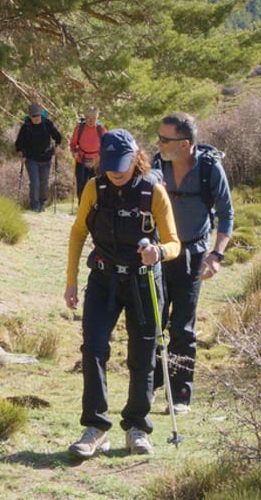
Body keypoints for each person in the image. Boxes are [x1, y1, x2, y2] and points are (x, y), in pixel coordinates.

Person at [63, 129, 179, 458]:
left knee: (143, 356)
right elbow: (78, 232)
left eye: (122, 164)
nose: (116, 171)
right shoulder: (94, 188)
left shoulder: (153, 191)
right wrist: (71, 282)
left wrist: (159, 251)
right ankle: (96, 428)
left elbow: (174, 242)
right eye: (109, 163)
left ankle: (137, 427)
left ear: (136, 158)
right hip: (103, 280)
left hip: (143, 282)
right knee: (93, 350)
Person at [150, 112, 233, 415]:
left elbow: (227, 214)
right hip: (159, 253)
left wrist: (216, 255)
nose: (158, 143)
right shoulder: (156, 164)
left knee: (182, 326)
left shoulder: (210, 169)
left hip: (192, 255)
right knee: (153, 321)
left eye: (164, 139)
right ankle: (151, 385)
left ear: (184, 144)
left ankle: (181, 393)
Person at [15, 102, 62, 212]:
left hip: (46, 157)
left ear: (41, 115)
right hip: (31, 158)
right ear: (30, 116)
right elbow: (19, 144)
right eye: (34, 116)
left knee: (44, 182)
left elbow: (58, 137)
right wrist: (21, 155)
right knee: (35, 182)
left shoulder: (47, 124)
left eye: (38, 115)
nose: (36, 118)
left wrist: (57, 146)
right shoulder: (26, 126)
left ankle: (43, 203)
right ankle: (34, 206)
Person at [69, 106, 105, 198]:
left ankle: (95, 207)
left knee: (96, 185)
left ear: (97, 118)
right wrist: (74, 152)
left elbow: (106, 146)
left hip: (96, 162)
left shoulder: (101, 129)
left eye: (93, 118)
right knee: (81, 186)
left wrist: (99, 158)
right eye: (88, 118)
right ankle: (81, 206)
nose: (90, 120)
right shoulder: (79, 128)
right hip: (81, 160)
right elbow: (73, 143)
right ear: (85, 117)